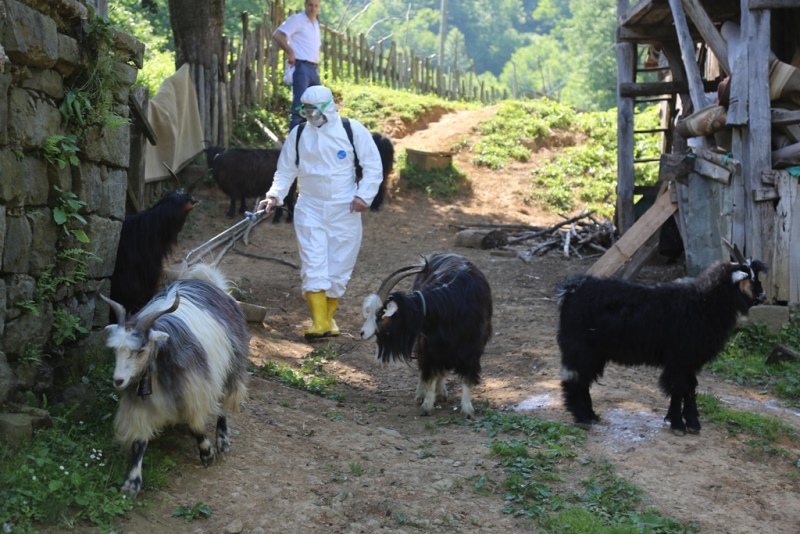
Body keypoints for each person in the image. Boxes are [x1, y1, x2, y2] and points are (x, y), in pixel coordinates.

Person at [258, 85, 383, 339]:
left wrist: (364, 195)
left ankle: (327, 319)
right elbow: (285, 170)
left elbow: (373, 165)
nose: (311, 116)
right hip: (310, 208)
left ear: (329, 107)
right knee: (313, 263)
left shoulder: (351, 129)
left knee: (339, 266)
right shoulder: (299, 134)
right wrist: (274, 196)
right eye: (306, 111)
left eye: (315, 110)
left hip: (345, 209)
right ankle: (318, 322)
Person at [273, 0, 322, 131]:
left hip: (313, 68)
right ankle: (294, 140)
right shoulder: (297, 20)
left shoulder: (315, 24)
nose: (313, 8)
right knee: (299, 106)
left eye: (316, 6)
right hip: (301, 67)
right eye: (310, 5)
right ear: (305, 5)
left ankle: (313, 139)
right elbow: (278, 35)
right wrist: (290, 52)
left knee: (317, 105)